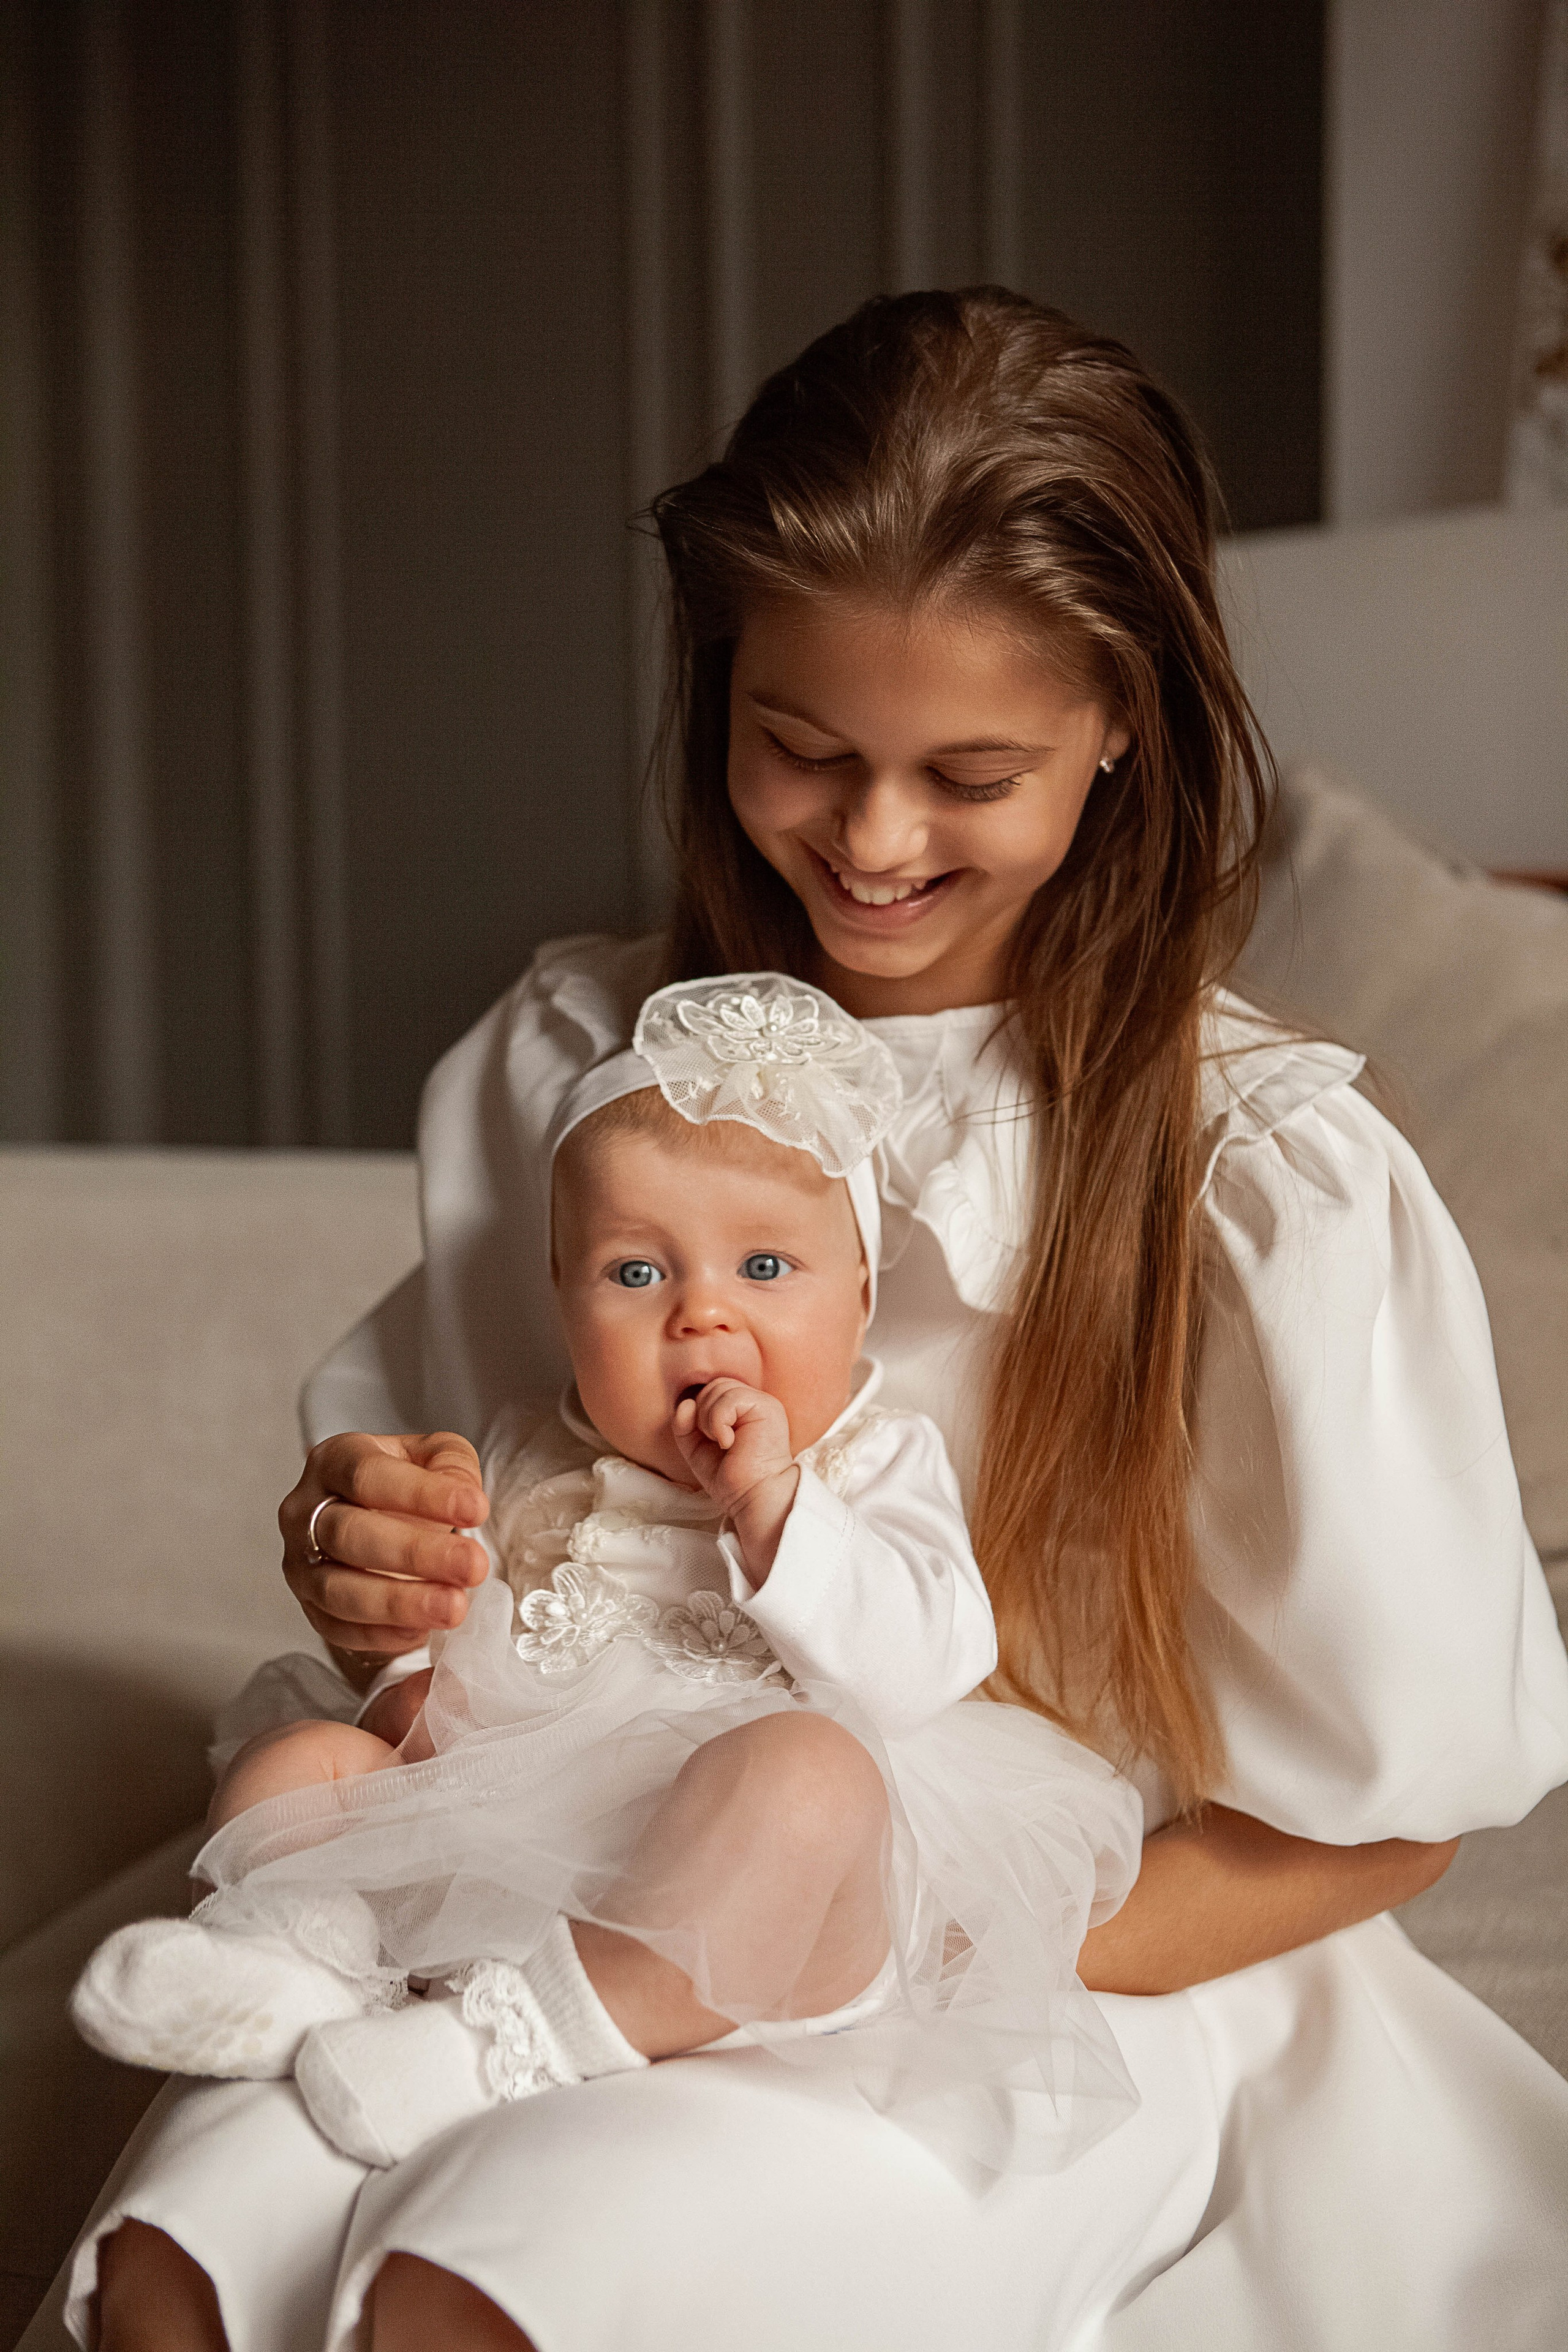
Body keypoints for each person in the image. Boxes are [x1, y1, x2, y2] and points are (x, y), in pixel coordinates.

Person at [74, 288, 1568, 2352]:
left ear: (1123, 720)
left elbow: (1403, 1804)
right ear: (720, 689)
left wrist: (907, 1948)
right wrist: (372, 1551)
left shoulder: (1259, 1179)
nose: (870, 843)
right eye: (803, 748)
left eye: (969, 772)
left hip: (1019, 1971)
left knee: (478, 2280)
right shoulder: (567, 1062)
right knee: (182, 2265)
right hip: (540, 1866)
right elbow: (481, 1562)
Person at [70, 976, 1141, 2181]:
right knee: (307, 1758)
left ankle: (516, 2046)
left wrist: (775, 1508)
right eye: (636, 1275)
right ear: (561, 1299)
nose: (701, 1316)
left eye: (766, 1265)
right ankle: (293, 1967)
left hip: (741, 1888)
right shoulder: (529, 1453)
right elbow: (460, 1632)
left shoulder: (871, 1463)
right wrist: (410, 1685)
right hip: (510, 1837)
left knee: (808, 1779)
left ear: (861, 1302)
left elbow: (928, 1659)